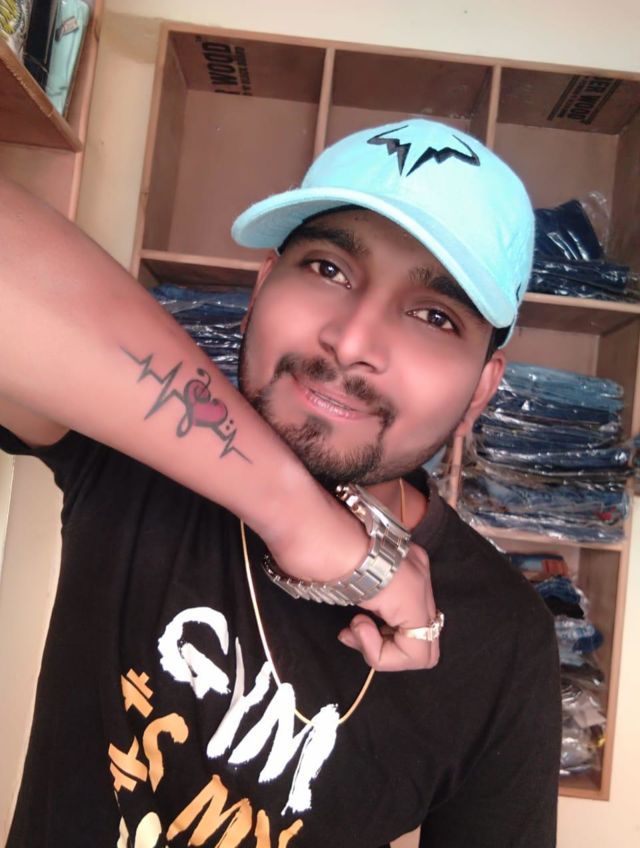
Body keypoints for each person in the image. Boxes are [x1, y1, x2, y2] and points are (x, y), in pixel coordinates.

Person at [0, 118, 560, 847]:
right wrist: (305, 521)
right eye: (329, 270)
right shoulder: (139, 444)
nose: (351, 342)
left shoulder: (505, 642)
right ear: (262, 286)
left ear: (483, 389)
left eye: (434, 316)